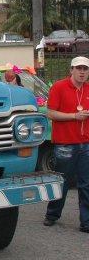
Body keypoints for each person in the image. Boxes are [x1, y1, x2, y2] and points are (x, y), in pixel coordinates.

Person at [43, 56, 89, 232]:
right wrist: (74, 116)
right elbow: (50, 113)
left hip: (86, 143)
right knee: (62, 182)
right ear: (71, 70)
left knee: (86, 184)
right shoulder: (59, 87)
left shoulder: (88, 89)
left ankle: (86, 222)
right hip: (65, 143)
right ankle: (52, 214)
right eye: (79, 68)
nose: (82, 72)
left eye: (85, 69)